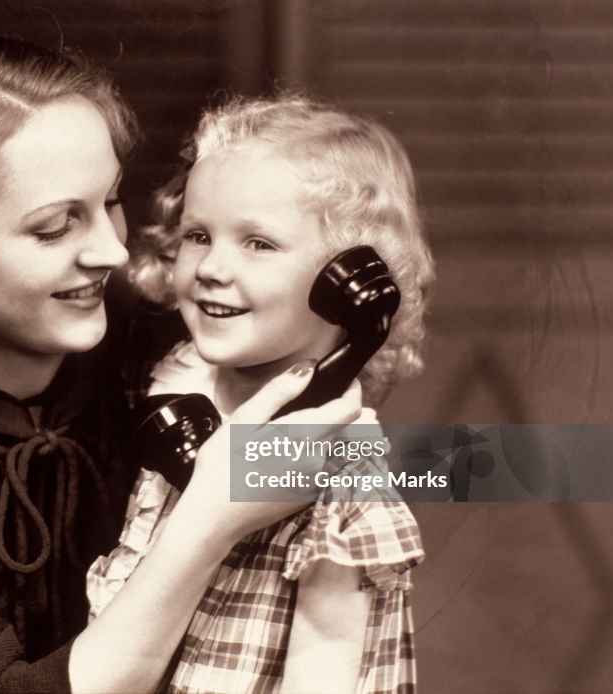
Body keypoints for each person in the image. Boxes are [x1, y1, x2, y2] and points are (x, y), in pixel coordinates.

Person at [0, 29, 360, 693]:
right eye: (56, 226)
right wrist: (207, 521)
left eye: (109, 201)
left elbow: (462, 464)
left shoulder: (144, 338)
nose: (111, 252)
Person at [84, 95, 435, 693]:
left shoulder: (339, 467)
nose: (212, 267)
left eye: (259, 244)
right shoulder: (174, 377)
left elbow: (323, 672)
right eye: (198, 234)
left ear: (349, 285)